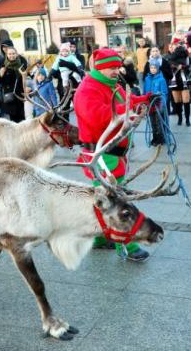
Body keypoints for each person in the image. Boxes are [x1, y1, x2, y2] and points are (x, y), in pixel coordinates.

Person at [73, 47, 153, 262]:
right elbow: (98, 117)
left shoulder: (112, 85)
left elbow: (124, 103)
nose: (117, 70)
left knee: (104, 197)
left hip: (114, 153)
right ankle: (127, 245)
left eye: (118, 66)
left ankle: (98, 238)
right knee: (117, 200)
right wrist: (128, 113)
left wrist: (144, 99)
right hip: (100, 155)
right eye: (112, 67)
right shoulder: (87, 90)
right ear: (100, 68)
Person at [165, 36, 191, 126]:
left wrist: (183, 67)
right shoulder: (168, 57)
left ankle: (187, 120)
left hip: (183, 79)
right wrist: (175, 66)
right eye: (173, 45)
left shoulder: (185, 54)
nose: (175, 46)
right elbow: (167, 68)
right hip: (174, 80)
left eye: (177, 44)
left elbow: (189, 66)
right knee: (177, 102)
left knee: (186, 101)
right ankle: (180, 118)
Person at [142, 58, 169, 146]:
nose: (153, 69)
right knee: (152, 122)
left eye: (154, 68)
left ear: (158, 68)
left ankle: (161, 138)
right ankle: (155, 137)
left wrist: (159, 96)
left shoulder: (161, 79)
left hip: (158, 103)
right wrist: (144, 101)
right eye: (151, 68)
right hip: (150, 104)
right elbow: (145, 91)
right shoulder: (147, 79)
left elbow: (164, 92)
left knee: (159, 121)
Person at [0, 47, 26, 122]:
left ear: (16, 54)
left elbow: (25, 79)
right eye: (9, 54)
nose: (11, 55)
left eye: (13, 53)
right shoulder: (3, 66)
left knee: (21, 118)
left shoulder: (21, 66)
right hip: (9, 96)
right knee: (12, 119)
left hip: (19, 95)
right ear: (7, 55)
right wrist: (1, 74)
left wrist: (24, 76)